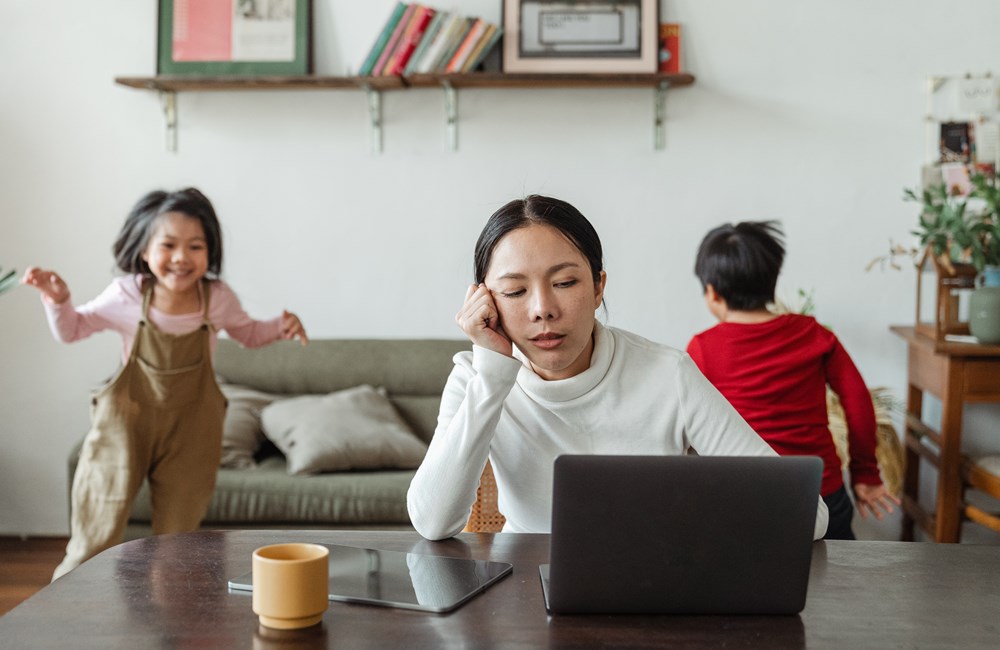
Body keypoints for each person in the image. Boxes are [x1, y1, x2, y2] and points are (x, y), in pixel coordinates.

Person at [406, 195, 828, 541]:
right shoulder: (475, 378)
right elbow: (432, 522)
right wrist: (493, 375)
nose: (543, 310)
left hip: (652, 583)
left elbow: (808, 517)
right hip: (524, 591)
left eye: (565, 283)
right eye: (515, 291)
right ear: (485, 301)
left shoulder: (668, 374)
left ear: (598, 287)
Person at [22, 188, 308, 579]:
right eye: (168, 245)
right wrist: (58, 301)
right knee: (94, 535)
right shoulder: (126, 295)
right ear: (143, 250)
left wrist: (280, 326)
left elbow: (248, 334)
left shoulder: (217, 299)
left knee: (177, 545)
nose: (181, 257)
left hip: (191, 431)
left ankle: (168, 631)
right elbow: (73, 330)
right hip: (125, 426)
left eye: (195, 246)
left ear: (210, 252)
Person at [685, 220, 899, 540]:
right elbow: (857, 401)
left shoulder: (702, 348)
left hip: (746, 499)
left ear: (712, 292)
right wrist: (865, 472)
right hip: (822, 494)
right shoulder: (815, 335)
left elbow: (690, 424)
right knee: (837, 584)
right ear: (772, 282)